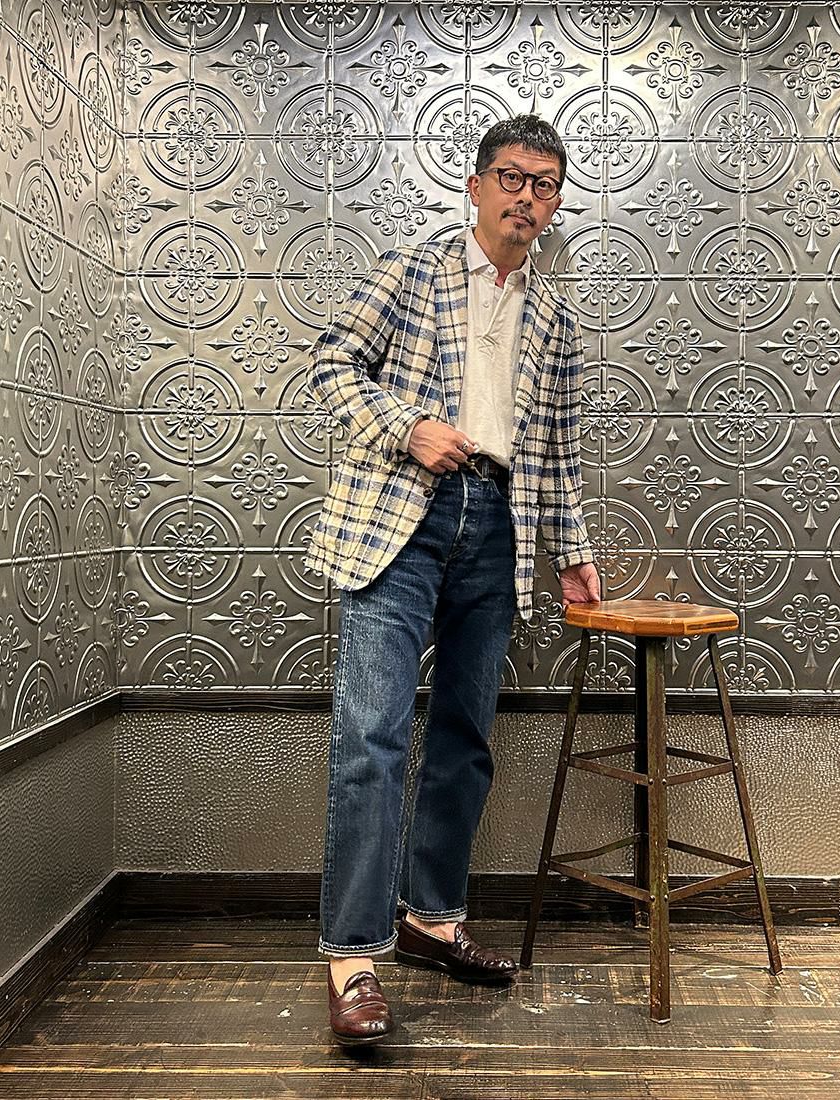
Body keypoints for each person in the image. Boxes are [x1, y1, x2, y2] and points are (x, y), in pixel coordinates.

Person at [305, 114, 600, 1046]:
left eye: (544, 185)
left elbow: (557, 451)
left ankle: (432, 922)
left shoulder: (555, 318)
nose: (526, 197)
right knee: (373, 737)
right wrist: (407, 427)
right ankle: (353, 957)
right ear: (476, 187)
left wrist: (573, 551)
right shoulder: (410, 272)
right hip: (403, 518)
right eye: (511, 177)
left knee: (466, 736)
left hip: (500, 523)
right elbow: (329, 364)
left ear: (554, 204)